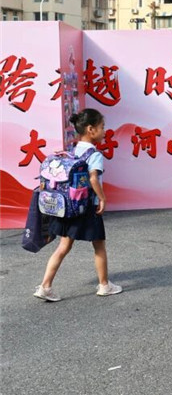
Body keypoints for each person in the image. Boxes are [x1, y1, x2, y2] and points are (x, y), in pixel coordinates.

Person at [33, 109, 123, 302]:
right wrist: (102, 198)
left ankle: (45, 286)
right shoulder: (94, 154)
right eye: (102, 127)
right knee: (99, 245)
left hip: (68, 207)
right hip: (87, 207)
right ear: (91, 129)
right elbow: (93, 178)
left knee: (63, 246)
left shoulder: (72, 151)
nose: (104, 131)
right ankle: (104, 285)